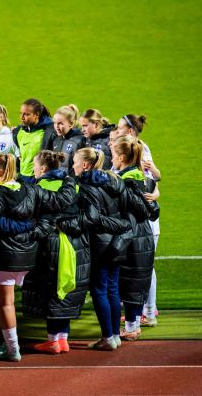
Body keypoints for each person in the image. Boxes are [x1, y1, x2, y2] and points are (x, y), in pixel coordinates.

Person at [0, 154, 77, 361]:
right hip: (28, 256)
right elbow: (61, 200)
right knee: (8, 302)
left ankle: (12, 349)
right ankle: (10, 343)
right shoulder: (32, 188)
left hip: (5, 256)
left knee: (5, 304)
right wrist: (70, 179)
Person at [21, 150, 89, 355]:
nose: (33, 169)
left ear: (43, 168)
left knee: (50, 289)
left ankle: (52, 340)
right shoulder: (74, 185)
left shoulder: (37, 188)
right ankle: (63, 339)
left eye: (34, 165)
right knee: (66, 291)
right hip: (75, 243)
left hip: (48, 244)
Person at [70, 148, 128, 350]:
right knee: (112, 288)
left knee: (99, 290)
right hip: (119, 243)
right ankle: (115, 335)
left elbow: (92, 218)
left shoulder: (86, 186)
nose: (72, 166)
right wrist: (118, 226)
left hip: (100, 245)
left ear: (85, 165)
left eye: (75, 162)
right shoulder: (113, 180)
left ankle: (108, 337)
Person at [115, 114, 161, 325]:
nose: (116, 130)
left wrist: (154, 196)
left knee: (143, 269)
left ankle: (148, 312)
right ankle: (144, 312)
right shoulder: (134, 152)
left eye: (120, 127)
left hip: (143, 225)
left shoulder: (138, 152)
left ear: (131, 131)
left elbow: (152, 183)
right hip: (142, 224)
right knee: (141, 269)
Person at [12, 98, 55, 183]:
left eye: (27, 114)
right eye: (21, 113)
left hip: (38, 178)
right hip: (22, 177)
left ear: (37, 115)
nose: (22, 117)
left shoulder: (48, 132)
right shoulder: (18, 132)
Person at [51, 105, 85, 176]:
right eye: (54, 123)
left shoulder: (80, 140)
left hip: (73, 183)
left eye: (60, 123)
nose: (56, 127)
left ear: (71, 124)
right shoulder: (56, 140)